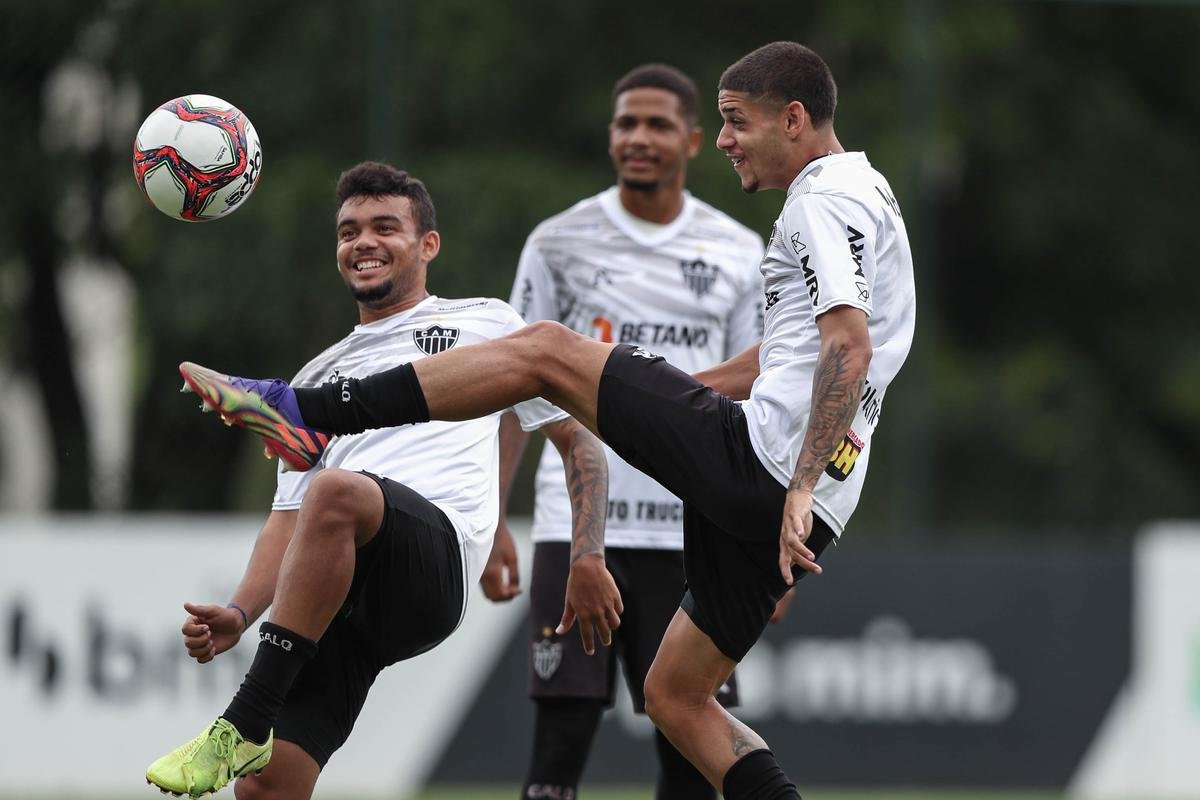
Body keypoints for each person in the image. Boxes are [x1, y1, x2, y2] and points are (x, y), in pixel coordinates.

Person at [183, 41, 916, 800]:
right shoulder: (868, 190)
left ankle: (301, 411)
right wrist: (660, 397)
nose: (726, 139)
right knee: (677, 699)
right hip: (818, 497)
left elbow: (846, 344)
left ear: (793, 119)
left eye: (735, 121)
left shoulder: (820, 199)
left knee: (541, 348)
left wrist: (792, 480)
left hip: (769, 467)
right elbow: (790, 355)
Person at [144, 161, 615, 800]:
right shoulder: (319, 377)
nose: (362, 242)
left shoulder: (488, 322)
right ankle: (256, 739)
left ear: (429, 245)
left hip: (431, 565)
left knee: (337, 491)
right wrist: (239, 611)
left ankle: (241, 721)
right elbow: (287, 519)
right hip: (334, 590)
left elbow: (575, 436)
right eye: (348, 231)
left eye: (384, 227)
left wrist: (586, 553)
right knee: (268, 788)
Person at [480, 62, 765, 800]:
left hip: (695, 535)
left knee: (691, 751)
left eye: (658, 124)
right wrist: (490, 517)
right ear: (611, 136)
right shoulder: (557, 242)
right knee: (559, 743)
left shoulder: (737, 251)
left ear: (695, 140)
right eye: (626, 123)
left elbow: (760, 390)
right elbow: (516, 383)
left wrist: (762, 534)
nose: (639, 138)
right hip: (577, 529)